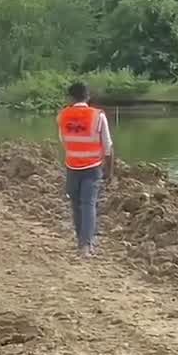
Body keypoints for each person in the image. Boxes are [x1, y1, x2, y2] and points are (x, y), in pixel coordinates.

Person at [57, 81, 114, 257]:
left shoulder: (62, 116)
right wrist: (109, 171)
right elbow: (108, 146)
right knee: (89, 204)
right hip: (92, 167)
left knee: (76, 205)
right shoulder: (98, 116)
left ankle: (80, 240)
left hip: (72, 166)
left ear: (70, 97)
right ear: (88, 96)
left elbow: (63, 141)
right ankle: (85, 246)